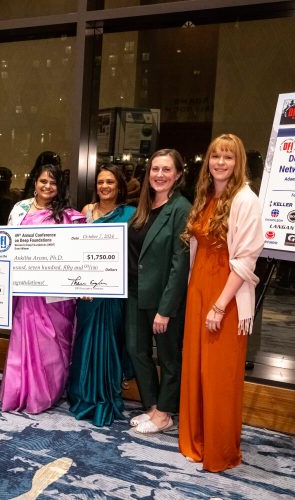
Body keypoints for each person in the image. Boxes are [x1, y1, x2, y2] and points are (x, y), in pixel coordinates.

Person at [179, 133, 264, 472]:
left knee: (219, 375)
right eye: (216, 156)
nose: (220, 163)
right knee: (197, 368)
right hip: (199, 290)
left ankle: (219, 449)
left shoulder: (246, 200)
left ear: (238, 162)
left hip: (225, 298)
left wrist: (219, 305)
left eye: (228, 157)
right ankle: (196, 440)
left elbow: (245, 261)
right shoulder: (206, 196)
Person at [0, 163, 86, 414]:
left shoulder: (69, 216)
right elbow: (8, 244)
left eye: (53, 182)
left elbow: (77, 252)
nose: (47, 186)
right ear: (35, 182)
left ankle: (46, 394)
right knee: (23, 342)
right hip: (26, 289)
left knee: (51, 344)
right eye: (43, 181)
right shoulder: (20, 209)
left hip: (54, 295)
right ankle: (19, 391)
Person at [126, 149, 191, 434]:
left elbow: (180, 263)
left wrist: (166, 309)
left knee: (168, 357)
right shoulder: (143, 208)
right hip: (136, 293)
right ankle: (152, 407)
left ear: (177, 175)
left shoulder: (181, 209)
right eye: (155, 169)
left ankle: (165, 413)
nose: (160, 175)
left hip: (163, 298)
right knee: (136, 350)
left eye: (166, 170)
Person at [67, 164, 135, 426]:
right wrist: (80, 284)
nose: (104, 187)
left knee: (109, 342)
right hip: (87, 292)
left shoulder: (130, 214)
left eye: (110, 182)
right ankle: (83, 394)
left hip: (113, 292)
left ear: (119, 186)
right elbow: (77, 249)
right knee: (85, 341)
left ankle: (105, 393)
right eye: (100, 182)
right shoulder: (87, 211)